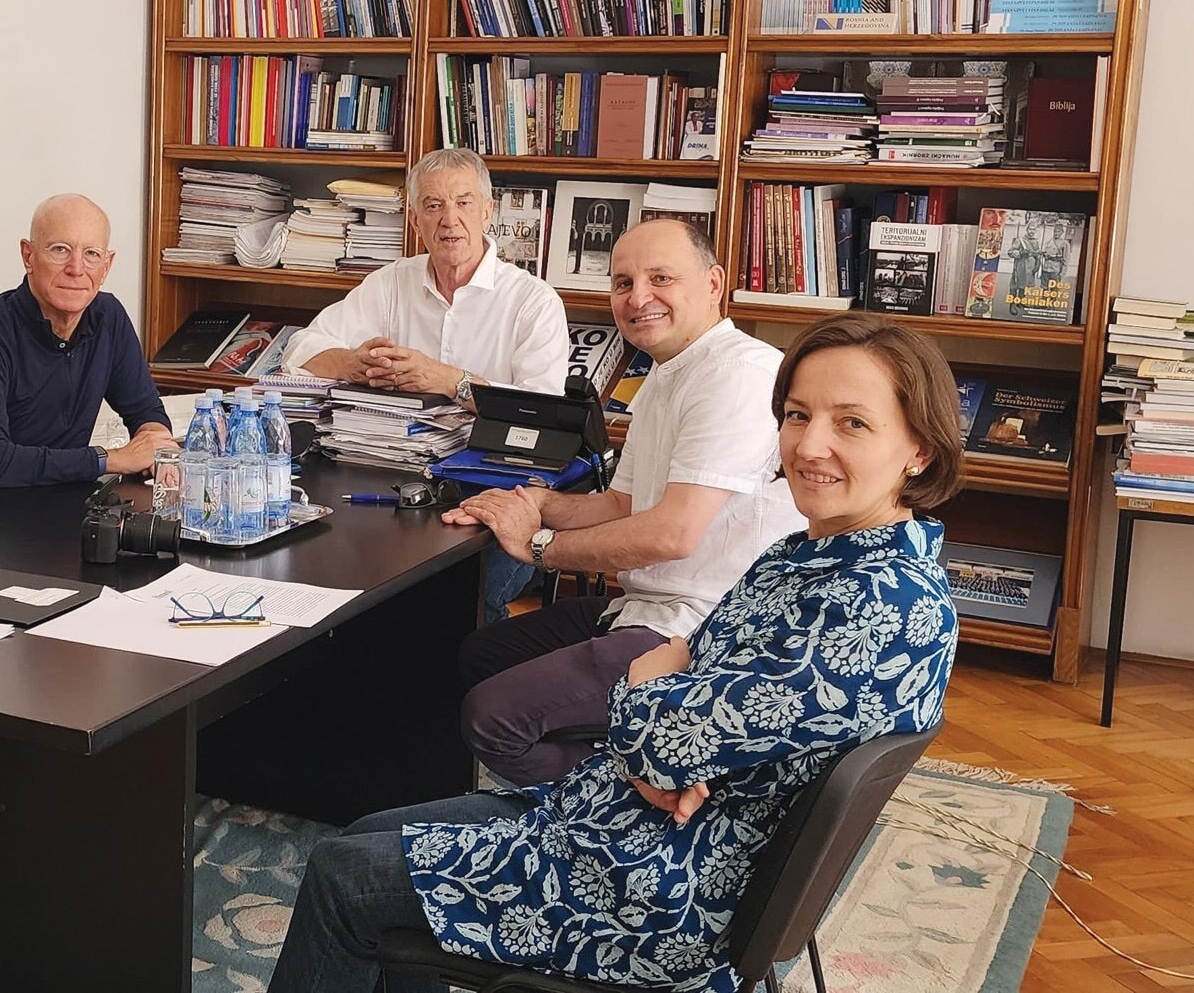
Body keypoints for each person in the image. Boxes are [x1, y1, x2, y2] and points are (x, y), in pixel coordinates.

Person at [267, 311, 968, 993]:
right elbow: (687, 684)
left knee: (342, 877)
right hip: (631, 825)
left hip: (655, 891)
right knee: (360, 835)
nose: (810, 445)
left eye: (852, 422)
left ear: (919, 449)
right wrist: (669, 733)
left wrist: (657, 718)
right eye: (796, 415)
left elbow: (666, 708)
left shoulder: (883, 606)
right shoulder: (815, 553)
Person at [445, 218, 807, 786]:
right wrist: (528, 502)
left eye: (660, 278)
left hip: (704, 632)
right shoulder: (665, 375)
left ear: (713, 285)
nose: (638, 298)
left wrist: (539, 545)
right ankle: (629, 758)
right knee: (481, 657)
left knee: (493, 720)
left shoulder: (739, 373)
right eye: (622, 283)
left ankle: (619, 810)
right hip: (649, 608)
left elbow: (671, 534)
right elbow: (621, 506)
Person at [276, 147, 569, 620]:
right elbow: (301, 350)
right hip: (393, 475)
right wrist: (354, 363)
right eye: (433, 205)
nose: (449, 219)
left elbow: (541, 416)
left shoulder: (532, 301)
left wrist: (452, 382)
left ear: (488, 211)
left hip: (496, 488)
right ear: (415, 219)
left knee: (454, 598)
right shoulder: (391, 283)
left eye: (463, 202)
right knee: (337, 569)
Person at [0, 193, 175, 507]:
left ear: (107, 264)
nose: (77, 268)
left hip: (53, 506)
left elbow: (145, 410)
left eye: (91, 254)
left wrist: (158, 446)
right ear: (28, 255)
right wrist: (113, 459)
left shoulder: (108, 317)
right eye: (60, 250)